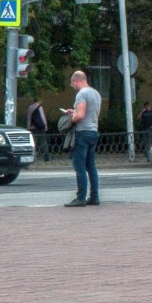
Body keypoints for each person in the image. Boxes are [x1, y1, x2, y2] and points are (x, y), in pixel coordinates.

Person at [63, 71, 102, 207]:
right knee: (91, 166)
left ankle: (80, 198)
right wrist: (74, 111)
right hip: (93, 132)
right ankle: (94, 197)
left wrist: (70, 119)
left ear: (75, 81)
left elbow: (80, 116)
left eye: (72, 84)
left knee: (79, 167)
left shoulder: (81, 94)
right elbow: (89, 113)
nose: (73, 86)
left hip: (82, 133)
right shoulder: (96, 93)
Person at [26, 96, 50, 162]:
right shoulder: (39, 107)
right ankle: (46, 158)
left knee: (33, 142)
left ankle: (32, 157)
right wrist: (45, 126)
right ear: (39, 101)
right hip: (40, 127)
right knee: (43, 142)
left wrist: (28, 127)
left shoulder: (30, 107)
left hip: (32, 128)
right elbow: (42, 117)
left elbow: (28, 118)